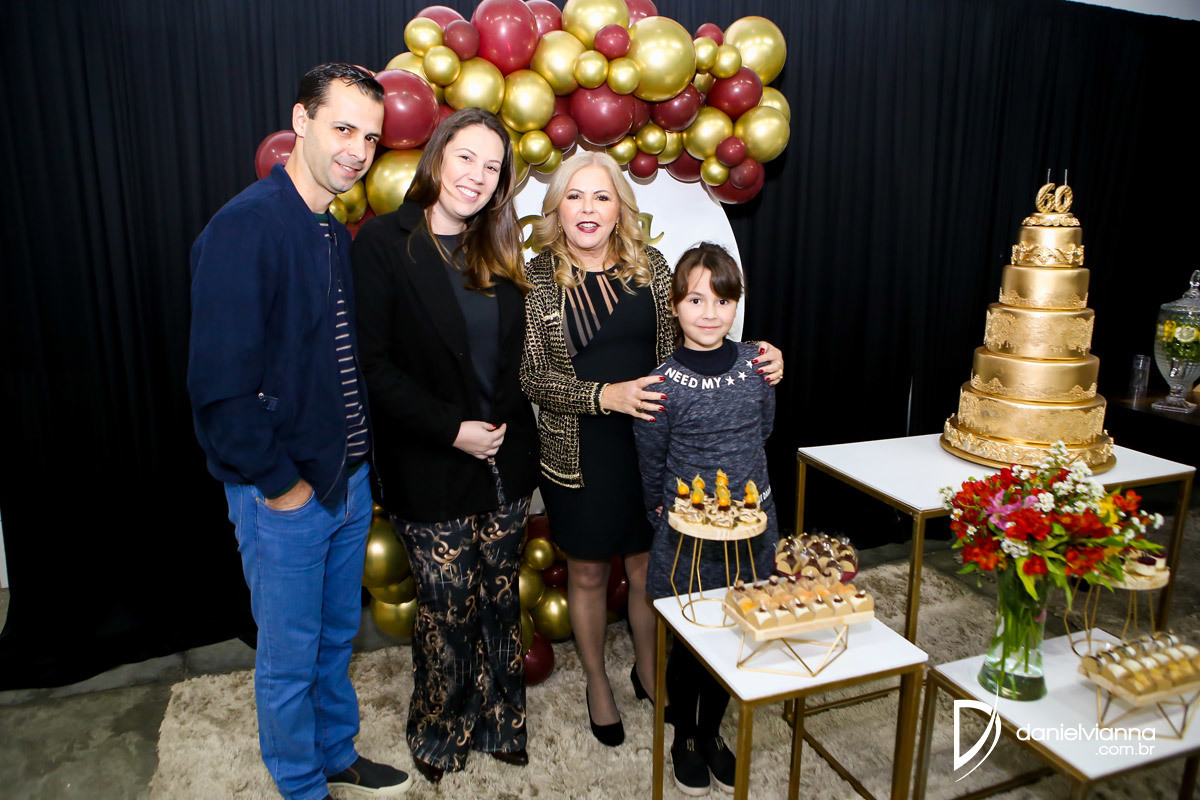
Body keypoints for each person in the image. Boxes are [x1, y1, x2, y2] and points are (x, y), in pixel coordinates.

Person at [188, 64, 410, 800]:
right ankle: (300, 784)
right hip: (284, 492)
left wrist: (355, 474)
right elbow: (220, 391)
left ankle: (335, 753)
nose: (358, 150)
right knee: (287, 659)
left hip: (345, 480)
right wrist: (282, 487)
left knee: (335, 638)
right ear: (301, 121)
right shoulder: (245, 228)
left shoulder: (331, 232)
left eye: (371, 138)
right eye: (343, 128)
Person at [520, 152, 783, 747]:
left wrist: (759, 359)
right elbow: (532, 377)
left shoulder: (651, 267)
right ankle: (597, 682)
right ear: (558, 208)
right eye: (575, 196)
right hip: (579, 452)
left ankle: (648, 667)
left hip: (653, 448)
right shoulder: (537, 278)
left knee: (646, 568)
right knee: (589, 572)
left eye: (602, 196)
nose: (588, 208)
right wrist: (603, 395)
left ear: (621, 208)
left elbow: (687, 349)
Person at [351, 108, 539, 784]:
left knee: (500, 599)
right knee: (446, 608)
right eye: (466, 157)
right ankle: (439, 730)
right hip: (429, 460)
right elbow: (373, 367)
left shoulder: (500, 245)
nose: (476, 176)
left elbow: (514, 360)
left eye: (492, 167)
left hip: (505, 462)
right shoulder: (385, 242)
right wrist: (451, 429)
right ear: (437, 157)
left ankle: (501, 720)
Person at [633, 242, 779, 796]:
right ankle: (686, 739)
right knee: (693, 641)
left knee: (736, 634)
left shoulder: (757, 367)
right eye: (696, 299)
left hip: (751, 529)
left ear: (737, 304)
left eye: (722, 300)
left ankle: (713, 730)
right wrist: (664, 516)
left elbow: (764, 431)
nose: (710, 313)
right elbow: (652, 461)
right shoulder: (660, 384)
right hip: (687, 535)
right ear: (675, 305)